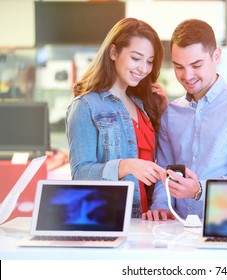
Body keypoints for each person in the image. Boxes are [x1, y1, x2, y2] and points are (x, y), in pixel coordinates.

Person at [142, 19, 227, 221]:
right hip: (177, 231)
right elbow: (164, 173)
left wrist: (200, 189)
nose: (187, 75)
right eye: (179, 66)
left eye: (196, 65)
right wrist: (161, 205)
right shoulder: (171, 113)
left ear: (216, 56)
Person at [66, 18, 168, 218]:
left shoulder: (141, 104)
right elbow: (80, 175)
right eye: (136, 58)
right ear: (113, 52)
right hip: (111, 219)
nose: (143, 69)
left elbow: (158, 162)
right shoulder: (85, 106)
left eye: (149, 61)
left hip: (146, 220)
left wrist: (162, 111)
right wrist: (125, 166)